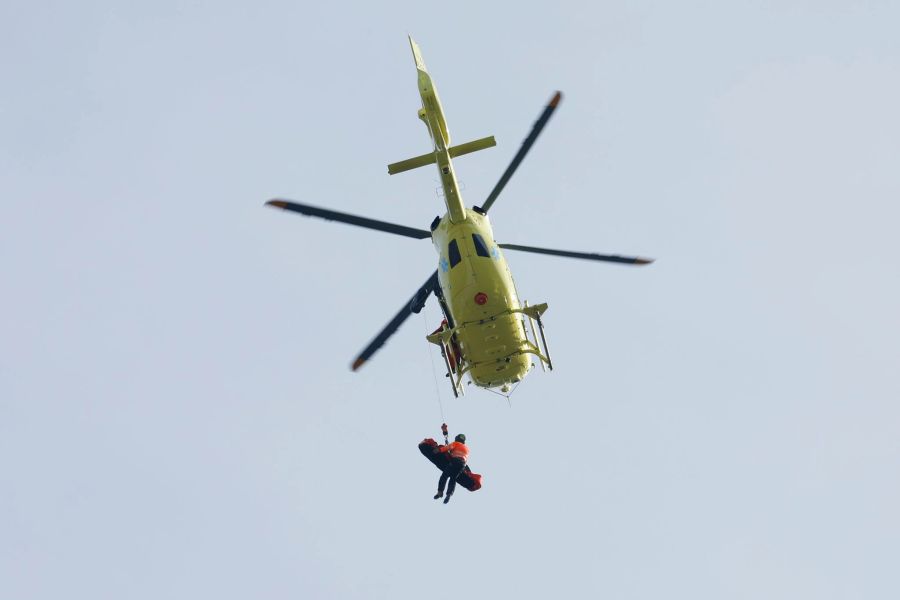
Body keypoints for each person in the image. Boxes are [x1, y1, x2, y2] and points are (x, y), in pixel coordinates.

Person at [434, 433, 469, 504]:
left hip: (455, 461)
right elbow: (456, 452)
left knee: (444, 476)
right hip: (462, 465)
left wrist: (439, 450)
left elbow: (447, 448)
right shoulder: (467, 448)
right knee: (453, 479)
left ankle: (440, 492)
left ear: (457, 438)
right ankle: (449, 494)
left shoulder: (456, 443)